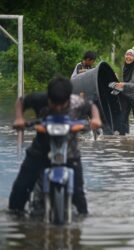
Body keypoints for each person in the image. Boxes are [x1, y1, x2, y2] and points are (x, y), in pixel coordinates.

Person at [9, 76, 102, 215]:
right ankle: (16, 222)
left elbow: (92, 107)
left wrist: (96, 119)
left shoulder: (76, 102)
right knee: (20, 189)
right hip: (40, 150)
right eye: (54, 104)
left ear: (68, 99)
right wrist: (19, 118)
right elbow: (21, 102)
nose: (58, 108)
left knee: (79, 196)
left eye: (62, 105)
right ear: (49, 98)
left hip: (69, 152)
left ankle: (79, 222)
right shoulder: (39, 99)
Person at [109, 49, 134, 136]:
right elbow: (126, 81)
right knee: (123, 118)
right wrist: (117, 81)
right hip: (124, 96)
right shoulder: (124, 67)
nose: (128, 57)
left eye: (131, 55)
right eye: (127, 54)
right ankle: (122, 139)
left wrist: (124, 84)